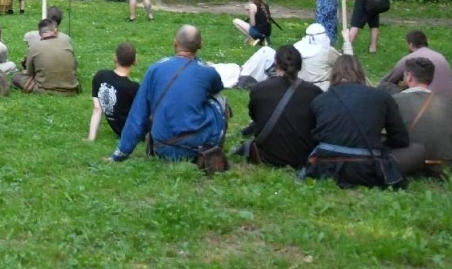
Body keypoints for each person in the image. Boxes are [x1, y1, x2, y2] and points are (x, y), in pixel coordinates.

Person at [302, 55, 425, 187]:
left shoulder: (320, 99)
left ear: (334, 73)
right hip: (367, 169)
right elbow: (400, 139)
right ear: (360, 72)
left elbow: (313, 136)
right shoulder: (381, 97)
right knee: (418, 149)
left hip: (327, 168)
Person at [110, 26, 225, 162]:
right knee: (220, 99)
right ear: (201, 45)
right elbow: (218, 87)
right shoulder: (208, 71)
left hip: (162, 147)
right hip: (196, 148)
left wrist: (120, 153)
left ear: (175, 43)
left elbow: (138, 114)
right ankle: (214, 145)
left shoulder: (155, 68)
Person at [238, 44, 319, 169]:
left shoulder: (259, 89)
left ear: (275, 63)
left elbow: (255, 117)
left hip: (268, 155)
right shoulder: (314, 92)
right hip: (302, 156)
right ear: (300, 65)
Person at [392, 57, 452, 177]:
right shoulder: (448, 103)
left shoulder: (395, 100)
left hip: (408, 162)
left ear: (409, 76)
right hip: (443, 167)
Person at [376, 30, 452, 103]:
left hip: (427, 102)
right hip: (451, 102)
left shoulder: (410, 58)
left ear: (411, 45)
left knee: (384, 86)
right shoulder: (440, 56)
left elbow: (388, 80)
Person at [14, 18, 80, 94]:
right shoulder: (67, 44)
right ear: (55, 31)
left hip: (44, 89)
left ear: (39, 34)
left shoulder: (34, 47)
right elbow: (74, 66)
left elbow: (29, 73)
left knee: (16, 76)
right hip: (71, 89)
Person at [89, 43, 138, 140]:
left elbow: (97, 108)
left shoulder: (100, 76)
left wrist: (91, 138)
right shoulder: (133, 88)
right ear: (135, 61)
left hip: (118, 130)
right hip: (134, 132)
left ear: (115, 58)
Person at [295, 22, 341, 89]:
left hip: (300, 87)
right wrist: (347, 42)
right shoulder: (327, 51)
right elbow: (344, 62)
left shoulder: (296, 48)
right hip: (323, 89)